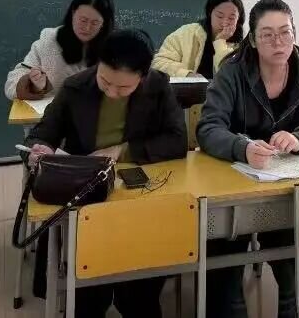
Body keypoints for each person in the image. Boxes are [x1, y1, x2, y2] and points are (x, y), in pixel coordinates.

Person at [25, 29, 188, 318]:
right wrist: (40, 149)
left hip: (139, 196)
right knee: (88, 289)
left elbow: (177, 141)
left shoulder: (159, 87)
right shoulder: (75, 86)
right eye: (105, 81)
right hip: (87, 194)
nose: (112, 92)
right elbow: (43, 133)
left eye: (124, 88)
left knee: (141, 290)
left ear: (143, 77)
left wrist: (121, 150)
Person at [197, 0, 299, 318]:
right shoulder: (232, 72)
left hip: (286, 185)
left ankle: (296, 305)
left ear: (294, 33)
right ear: (252, 39)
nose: (278, 42)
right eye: (267, 34)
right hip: (233, 186)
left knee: (292, 248)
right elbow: (208, 128)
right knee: (225, 253)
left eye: (285, 32)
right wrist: (242, 147)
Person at [4, 0, 115, 100]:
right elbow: (12, 83)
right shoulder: (50, 41)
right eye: (83, 20)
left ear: (104, 23)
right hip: (52, 110)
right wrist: (35, 84)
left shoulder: (115, 47)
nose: (87, 28)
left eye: (95, 23)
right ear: (73, 14)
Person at [152, 0, 245, 79]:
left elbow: (232, 76)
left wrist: (220, 42)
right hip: (187, 88)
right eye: (220, 16)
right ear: (210, 13)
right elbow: (159, 62)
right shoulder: (186, 33)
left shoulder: (242, 46)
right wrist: (186, 75)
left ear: (239, 19)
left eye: (231, 18)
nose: (225, 22)